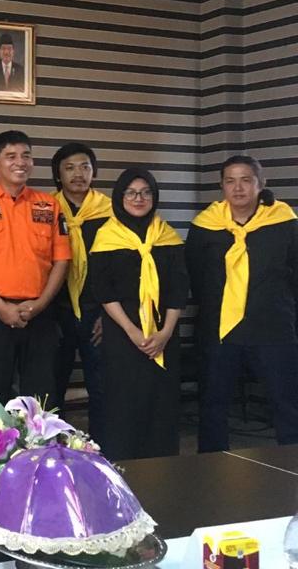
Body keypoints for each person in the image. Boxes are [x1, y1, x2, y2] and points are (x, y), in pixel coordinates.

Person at [187, 155, 298, 453]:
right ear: (222, 186)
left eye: (246, 180)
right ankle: (210, 466)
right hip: (219, 330)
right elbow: (196, 275)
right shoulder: (205, 226)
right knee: (213, 405)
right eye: (230, 181)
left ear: (261, 184)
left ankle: (292, 466)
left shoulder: (284, 222)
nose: (238, 188)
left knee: (287, 404)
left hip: (273, 328)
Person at [0, 130, 70, 406]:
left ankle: (38, 438)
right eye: (11, 156)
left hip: (39, 314)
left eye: (26, 156)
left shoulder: (49, 205)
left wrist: (40, 304)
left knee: (41, 397)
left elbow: (62, 261)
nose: (20, 162)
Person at [89, 169, 188, 462]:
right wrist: (132, 331)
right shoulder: (106, 236)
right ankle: (124, 466)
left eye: (146, 192)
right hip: (121, 332)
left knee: (161, 402)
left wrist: (166, 333)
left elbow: (178, 288)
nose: (139, 198)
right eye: (131, 193)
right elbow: (103, 290)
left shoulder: (167, 236)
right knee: (123, 402)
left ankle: (163, 467)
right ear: (120, 197)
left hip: (163, 331)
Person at [50, 142, 111, 444]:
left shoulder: (110, 211)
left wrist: (108, 314)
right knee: (51, 386)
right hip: (55, 311)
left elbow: (118, 267)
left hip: (98, 311)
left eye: (85, 167)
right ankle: (52, 449)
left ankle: (101, 448)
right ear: (58, 175)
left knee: (101, 386)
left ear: (94, 172)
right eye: (69, 168)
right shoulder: (45, 209)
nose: (78, 174)